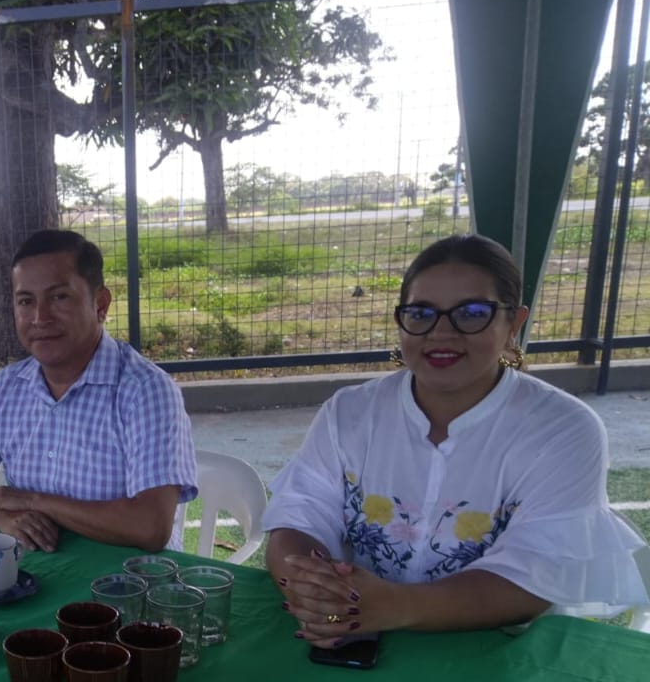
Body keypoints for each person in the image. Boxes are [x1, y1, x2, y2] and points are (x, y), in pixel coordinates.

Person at [263, 233, 648, 647]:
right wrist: (312, 589)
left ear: (514, 324)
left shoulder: (563, 429)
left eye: (472, 312)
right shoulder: (349, 413)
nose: (442, 332)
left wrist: (388, 607)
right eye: (421, 313)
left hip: (502, 651)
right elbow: (298, 519)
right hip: (361, 638)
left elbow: (534, 577)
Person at [0, 229, 197, 552]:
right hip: (39, 569)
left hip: (130, 577)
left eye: (59, 297)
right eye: (26, 301)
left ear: (100, 304)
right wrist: (0, 515)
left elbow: (150, 527)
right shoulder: (8, 388)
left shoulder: (146, 391)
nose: (40, 318)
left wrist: (29, 500)